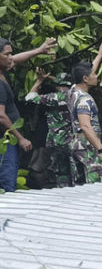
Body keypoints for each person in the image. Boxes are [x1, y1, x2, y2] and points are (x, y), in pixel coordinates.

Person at [0, 37, 58, 192]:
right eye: (7, 54)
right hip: (4, 140)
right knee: (7, 181)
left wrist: (39, 50)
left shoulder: (3, 71)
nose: (11, 58)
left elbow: (15, 60)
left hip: (7, 138)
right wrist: (20, 138)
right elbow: (1, 115)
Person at [67, 40, 102, 184]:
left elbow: (86, 73)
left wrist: (99, 55)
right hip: (88, 146)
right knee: (95, 185)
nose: (96, 76)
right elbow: (85, 126)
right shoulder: (84, 99)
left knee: (80, 184)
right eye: (94, 74)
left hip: (76, 144)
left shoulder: (73, 91)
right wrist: (101, 150)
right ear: (85, 79)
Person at [25, 68, 74, 187]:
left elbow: (29, 97)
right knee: (75, 171)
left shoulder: (54, 98)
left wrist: (39, 81)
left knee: (60, 172)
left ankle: (63, 192)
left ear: (57, 86)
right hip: (75, 141)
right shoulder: (78, 96)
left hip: (57, 141)